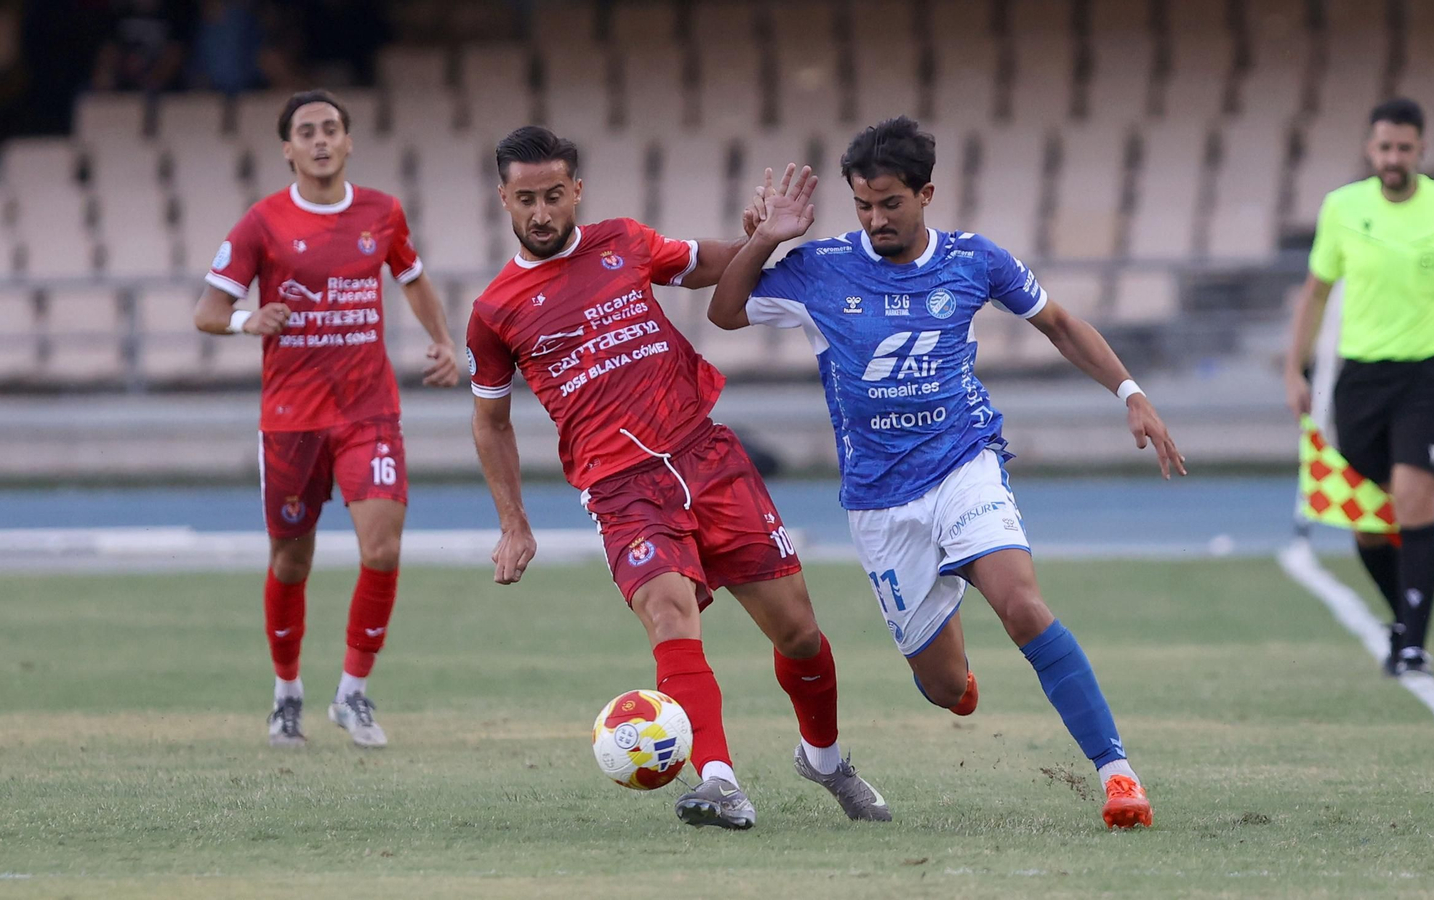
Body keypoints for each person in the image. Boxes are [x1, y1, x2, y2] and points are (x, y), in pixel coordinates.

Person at [710, 117, 1187, 829]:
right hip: (879, 503)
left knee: (1022, 605)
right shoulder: (822, 268)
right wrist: (765, 240)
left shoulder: (973, 261)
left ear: (926, 193)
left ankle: (1118, 777)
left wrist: (1132, 394)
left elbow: (1057, 323)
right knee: (945, 689)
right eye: (863, 206)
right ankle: (954, 659)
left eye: (890, 204)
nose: (876, 220)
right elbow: (724, 313)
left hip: (964, 463)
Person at [467, 126, 887, 830]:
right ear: (503, 198)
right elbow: (491, 423)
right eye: (525, 199)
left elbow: (716, 267)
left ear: (576, 191)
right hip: (622, 489)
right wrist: (514, 523)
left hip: (708, 458)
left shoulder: (625, 243)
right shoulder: (495, 311)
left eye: (552, 195)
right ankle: (720, 781)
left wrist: (763, 240)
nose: (540, 213)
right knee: (668, 611)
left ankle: (825, 757)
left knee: (799, 635)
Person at [193, 90, 461, 748]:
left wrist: (444, 340)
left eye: (330, 129)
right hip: (291, 421)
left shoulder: (382, 212)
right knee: (291, 560)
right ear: (287, 148)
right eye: (306, 131)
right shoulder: (262, 223)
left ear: (348, 142)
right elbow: (206, 312)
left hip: (368, 411)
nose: (319, 139)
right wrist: (244, 321)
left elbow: (414, 277)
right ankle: (287, 693)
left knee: (384, 547)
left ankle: (354, 693)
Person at [1285, 97, 1434, 676]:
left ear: (1421, 150)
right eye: (1384, 147)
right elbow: (1316, 293)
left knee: (1413, 500)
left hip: (1428, 375)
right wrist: (1293, 369)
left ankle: (1412, 645)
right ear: (1370, 149)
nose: (1394, 157)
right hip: (1360, 380)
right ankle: (1404, 618)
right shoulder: (1342, 209)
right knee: (1370, 526)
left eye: (1405, 148)